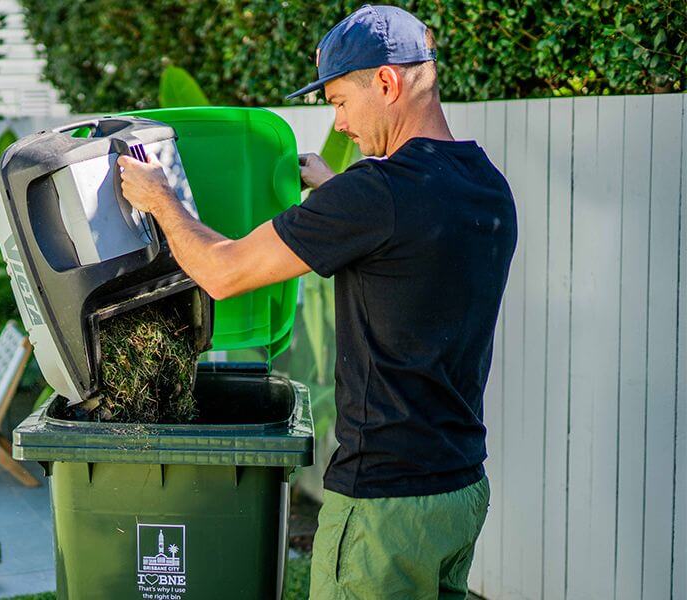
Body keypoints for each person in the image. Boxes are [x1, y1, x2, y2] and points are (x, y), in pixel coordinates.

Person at [117, 5, 517, 599]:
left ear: (386, 83)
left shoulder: (375, 195)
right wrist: (333, 186)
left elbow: (223, 274)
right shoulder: (484, 184)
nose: (343, 123)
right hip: (459, 491)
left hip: (384, 504)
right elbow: (408, 244)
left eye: (338, 102)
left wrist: (161, 200)